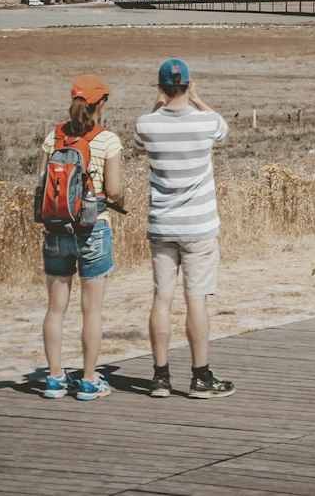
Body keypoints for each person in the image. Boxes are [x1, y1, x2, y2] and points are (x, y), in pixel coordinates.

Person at [133, 58, 234, 399]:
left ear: (160, 87)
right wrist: (197, 98)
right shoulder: (206, 122)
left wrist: (158, 104)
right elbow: (222, 128)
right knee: (196, 302)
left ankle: (160, 377)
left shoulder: (147, 124)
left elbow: (138, 139)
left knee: (162, 299)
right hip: (199, 227)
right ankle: (200, 377)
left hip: (162, 226)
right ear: (188, 84)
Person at [39, 73, 124, 400]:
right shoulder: (107, 140)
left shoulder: (53, 137)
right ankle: (89, 380)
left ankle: (54, 378)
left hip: (56, 230)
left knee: (55, 308)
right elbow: (114, 190)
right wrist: (122, 199)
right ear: (100, 104)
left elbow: (41, 184)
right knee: (92, 311)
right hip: (93, 229)